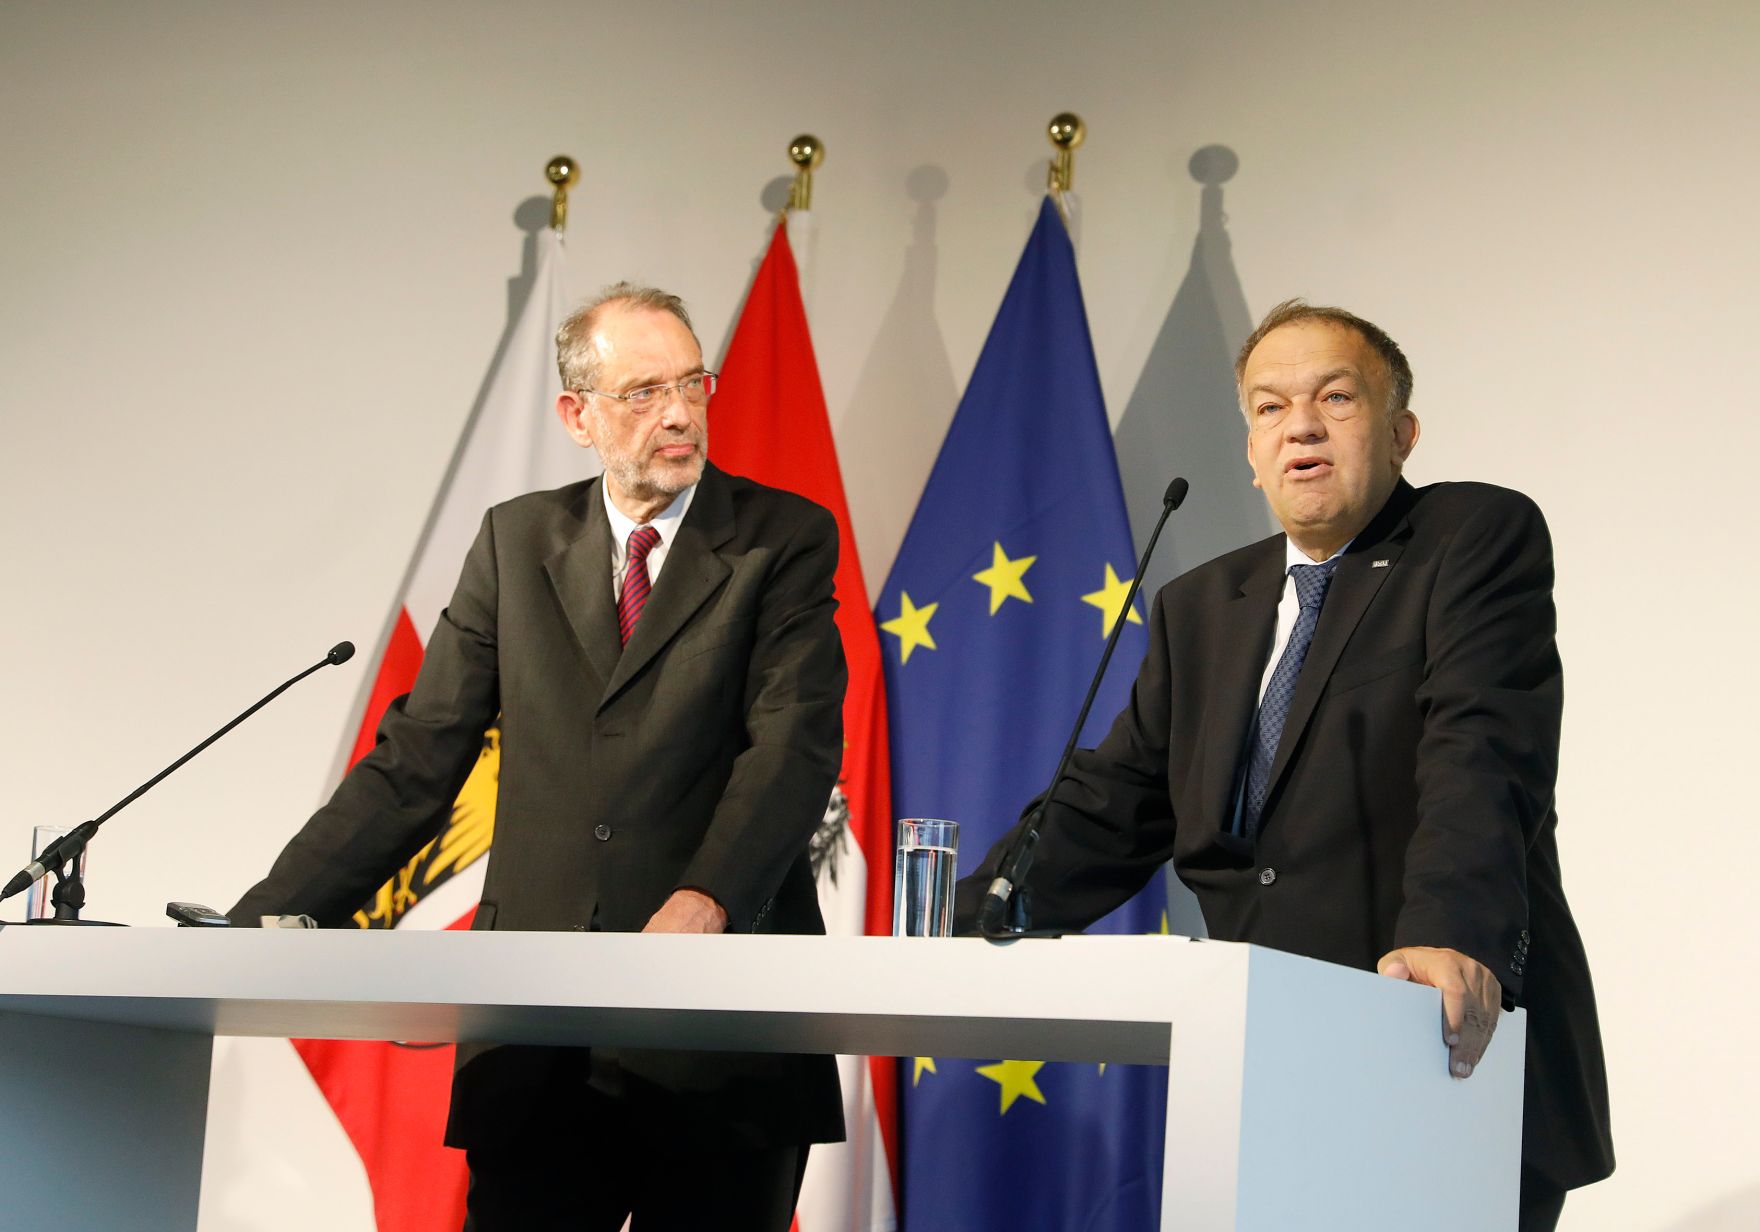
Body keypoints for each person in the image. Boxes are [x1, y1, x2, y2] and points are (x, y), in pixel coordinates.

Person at [955, 299, 1613, 1230]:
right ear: (1252, 451)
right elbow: (1118, 796)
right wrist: (970, 915)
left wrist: (1450, 933)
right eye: (1270, 407)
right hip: (1264, 1072)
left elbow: (1482, 752)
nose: (1300, 425)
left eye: (1335, 397)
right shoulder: (1203, 605)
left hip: (1435, 1045)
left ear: (1401, 433)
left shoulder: (1468, 537)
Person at [232, 283, 847, 1231]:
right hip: (536, 1043)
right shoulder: (516, 541)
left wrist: (704, 901)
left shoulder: (782, 539)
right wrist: (268, 918)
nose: (680, 413)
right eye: (644, 392)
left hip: (719, 1033)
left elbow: (793, 744)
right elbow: (421, 754)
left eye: (692, 383)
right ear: (577, 415)